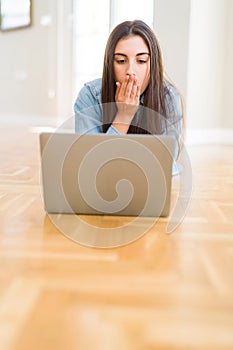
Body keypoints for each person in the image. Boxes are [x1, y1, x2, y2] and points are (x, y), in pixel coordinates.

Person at [74, 20, 183, 149]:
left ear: (153, 65)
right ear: (110, 64)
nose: (130, 71)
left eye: (141, 61)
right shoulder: (90, 95)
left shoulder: (168, 98)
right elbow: (91, 159)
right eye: (121, 61)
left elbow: (165, 160)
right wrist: (123, 116)